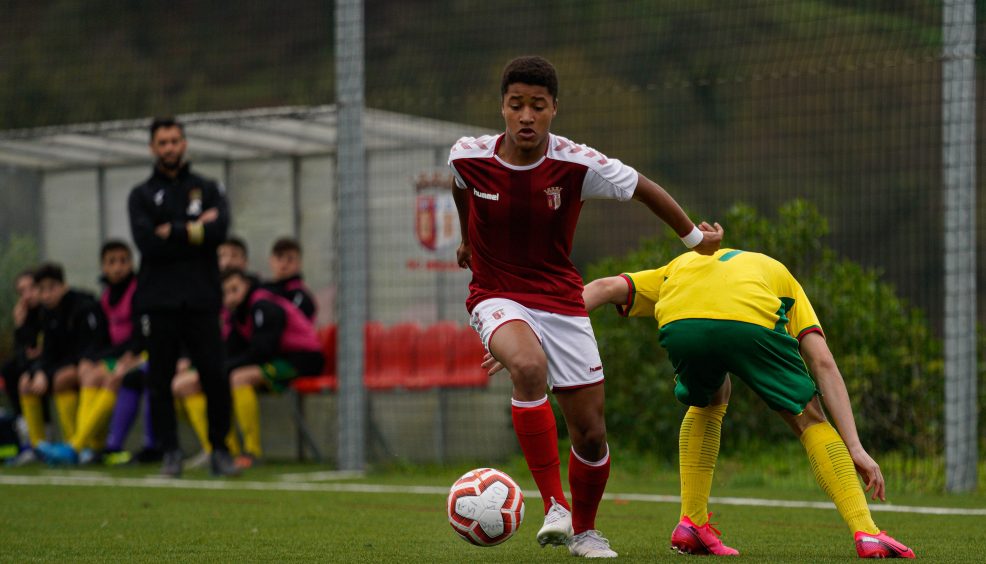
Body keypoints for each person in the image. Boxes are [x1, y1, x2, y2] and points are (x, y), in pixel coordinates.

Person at [448, 55, 722, 558]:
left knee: (592, 435)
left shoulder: (578, 163)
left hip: (560, 300)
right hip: (494, 293)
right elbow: (462, 187)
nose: (526, 116)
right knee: (528, 367)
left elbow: (646, 190)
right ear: (502, 109)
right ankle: (555, 505)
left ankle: (586, 531)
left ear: (554, 109)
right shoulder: (468, 155)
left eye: (537, 106)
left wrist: (692, 240)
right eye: (516, 105)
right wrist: (467, 240)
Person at [581, 248, 915, 559]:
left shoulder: (679, 266)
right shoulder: (779, 276)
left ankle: (691, 523)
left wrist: (556, 330)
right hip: (748, 325)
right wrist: (855, 447)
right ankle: (866, 531)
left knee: (711, 395)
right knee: (809, 417)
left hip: (682, 323)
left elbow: (605, 286)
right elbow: (823, 362)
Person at [127, 117, 239, 478]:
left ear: (184, 144)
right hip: (158, 302)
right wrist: (196, 230)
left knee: (214, 376)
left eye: (175, 140)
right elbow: (147, 243)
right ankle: (170, 453)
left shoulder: (207, 188)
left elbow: (219, 231)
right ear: (153, 148)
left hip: (203, 299)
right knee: (159, 381)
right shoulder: (141, 195)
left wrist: (172, 230)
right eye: (163, 142)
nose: (170, 147)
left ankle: (219, 450)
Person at [173, 268, 323, 469]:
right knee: (183, 386)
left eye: (235, 289)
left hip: (302, 360)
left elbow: (263, 351)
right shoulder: (236, 314)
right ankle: (221, 449)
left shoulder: (263, 305)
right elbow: (231, 352)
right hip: (274, 360)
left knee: (238, 378)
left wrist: (221, 369)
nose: (230, 296)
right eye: (225, 293)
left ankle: (253, 452)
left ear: (247, 285)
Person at [37, 241, 155, 465]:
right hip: (118, 356)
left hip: (141, 355)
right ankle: (84, 447)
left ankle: (76, 446)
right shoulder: (105, 298)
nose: (118, 267)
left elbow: (142, 336)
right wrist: (89, 360)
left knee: (112, 378)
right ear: (103, 267)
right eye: (112, 262)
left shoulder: (139, 292)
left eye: (123, 261)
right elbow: (99, 339)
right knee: (88, 374)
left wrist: (126, 357)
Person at [18, 263, 101, 459]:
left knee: (62, 379)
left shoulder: (83, 305)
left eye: (51, 288)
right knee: (25, 382)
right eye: (42, 290)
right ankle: (37, 447)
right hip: (62, 365)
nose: (46, 295)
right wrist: (39, 372)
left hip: (90, 362)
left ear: (63, 285)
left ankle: (78, 445)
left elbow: (88, 347)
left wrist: (48, 371)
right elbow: (44, 352)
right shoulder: (45, 313)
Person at [2, 269, 45, 464]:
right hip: (37, 367)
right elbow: (23, 352)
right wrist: (20, 325)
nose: (27, 295)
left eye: (32, 288)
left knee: (35, 377)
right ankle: (27, 436)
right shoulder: (26, 317)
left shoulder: (51, 311)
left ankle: (47, 440)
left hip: (57, 365)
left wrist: (36, 369)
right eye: (22, 291)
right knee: (11, 371)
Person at [264, 237, 317, 321]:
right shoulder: (263, 291)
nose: (284, 263)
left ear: (299, 263)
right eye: (279, 257)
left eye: (290, 259)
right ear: (271, 260)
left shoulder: (301, 298)